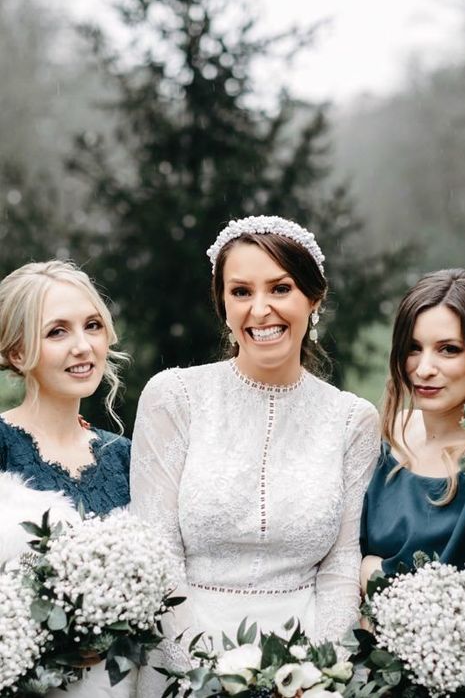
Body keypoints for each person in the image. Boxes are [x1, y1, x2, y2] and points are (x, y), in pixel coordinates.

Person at [130, 216, 380, 692]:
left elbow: (341, 567)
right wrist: (204, 678)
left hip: (307, 666)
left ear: (314, 298)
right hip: (181, 662)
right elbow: (157, 556)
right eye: (241, 292)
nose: (260, 309)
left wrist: (317, 674)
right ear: (221, 303)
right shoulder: (174, 398)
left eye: (280, 288)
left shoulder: (352, 421)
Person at [0, 259, 133, 697]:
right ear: (17, 352)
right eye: (57, 331)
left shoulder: (124, 455)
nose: (83, 347)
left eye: (92, 326)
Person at [360, 269, 465, 588]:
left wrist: (373, 573)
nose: (424, 369)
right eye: (413, 348)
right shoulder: (386, 433)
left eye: (449, 349)